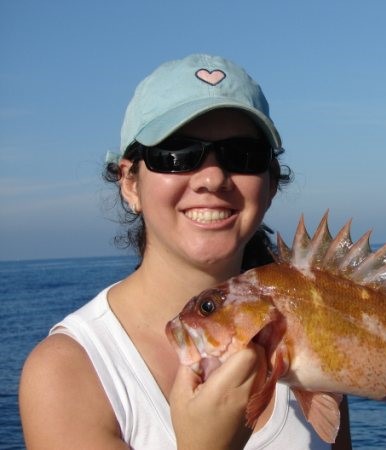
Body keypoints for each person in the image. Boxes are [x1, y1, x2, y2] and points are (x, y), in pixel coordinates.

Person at [19, 53, 352, 449]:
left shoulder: (315, 322)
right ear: (129, 182)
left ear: (270, 184)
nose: (213, 177)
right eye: (176, 154)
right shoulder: (69, 371)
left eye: (243, 155)